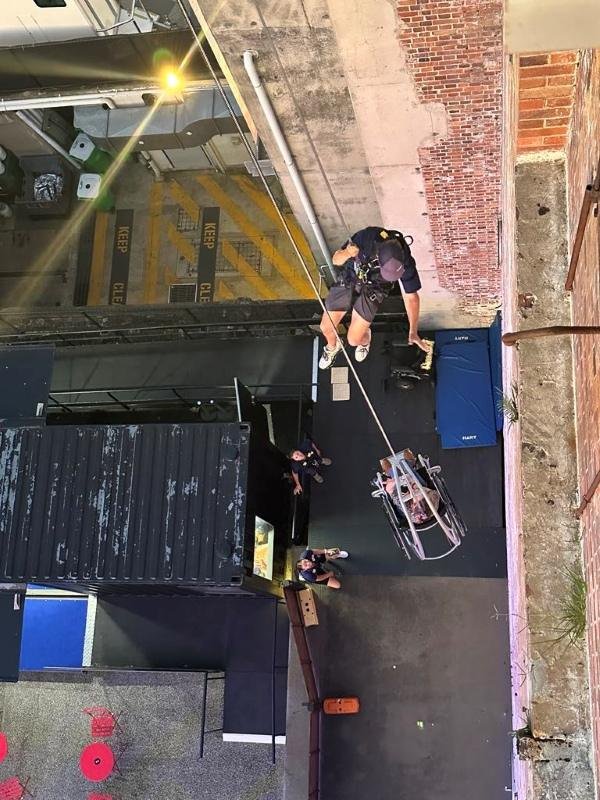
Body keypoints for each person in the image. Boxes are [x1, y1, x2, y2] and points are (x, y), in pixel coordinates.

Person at [319, 226, 429, 369]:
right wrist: (347, 253)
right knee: (326, 327)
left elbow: (411, 297)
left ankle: (366, 340)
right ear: (379, 258)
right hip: (352, 275)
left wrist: (413, 331)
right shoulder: (366, 238)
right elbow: (336, 260)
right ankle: (333, 347)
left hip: (376, 287)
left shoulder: (405, 261)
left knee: (354, 339)